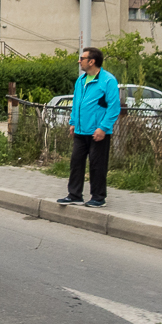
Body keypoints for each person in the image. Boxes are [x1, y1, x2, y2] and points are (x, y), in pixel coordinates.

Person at [57, 47, 121, 209]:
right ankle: (74, 195)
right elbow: (76, 103)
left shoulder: (107, 81)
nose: (79, 61)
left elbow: (113, 108)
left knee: (97, 165)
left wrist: (103, 128)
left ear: (92, 61)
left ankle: (98, 197)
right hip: (80, 129)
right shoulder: (81, 80)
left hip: (97, 132)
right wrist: (73, 122)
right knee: (76, 162)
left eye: (82, 58)